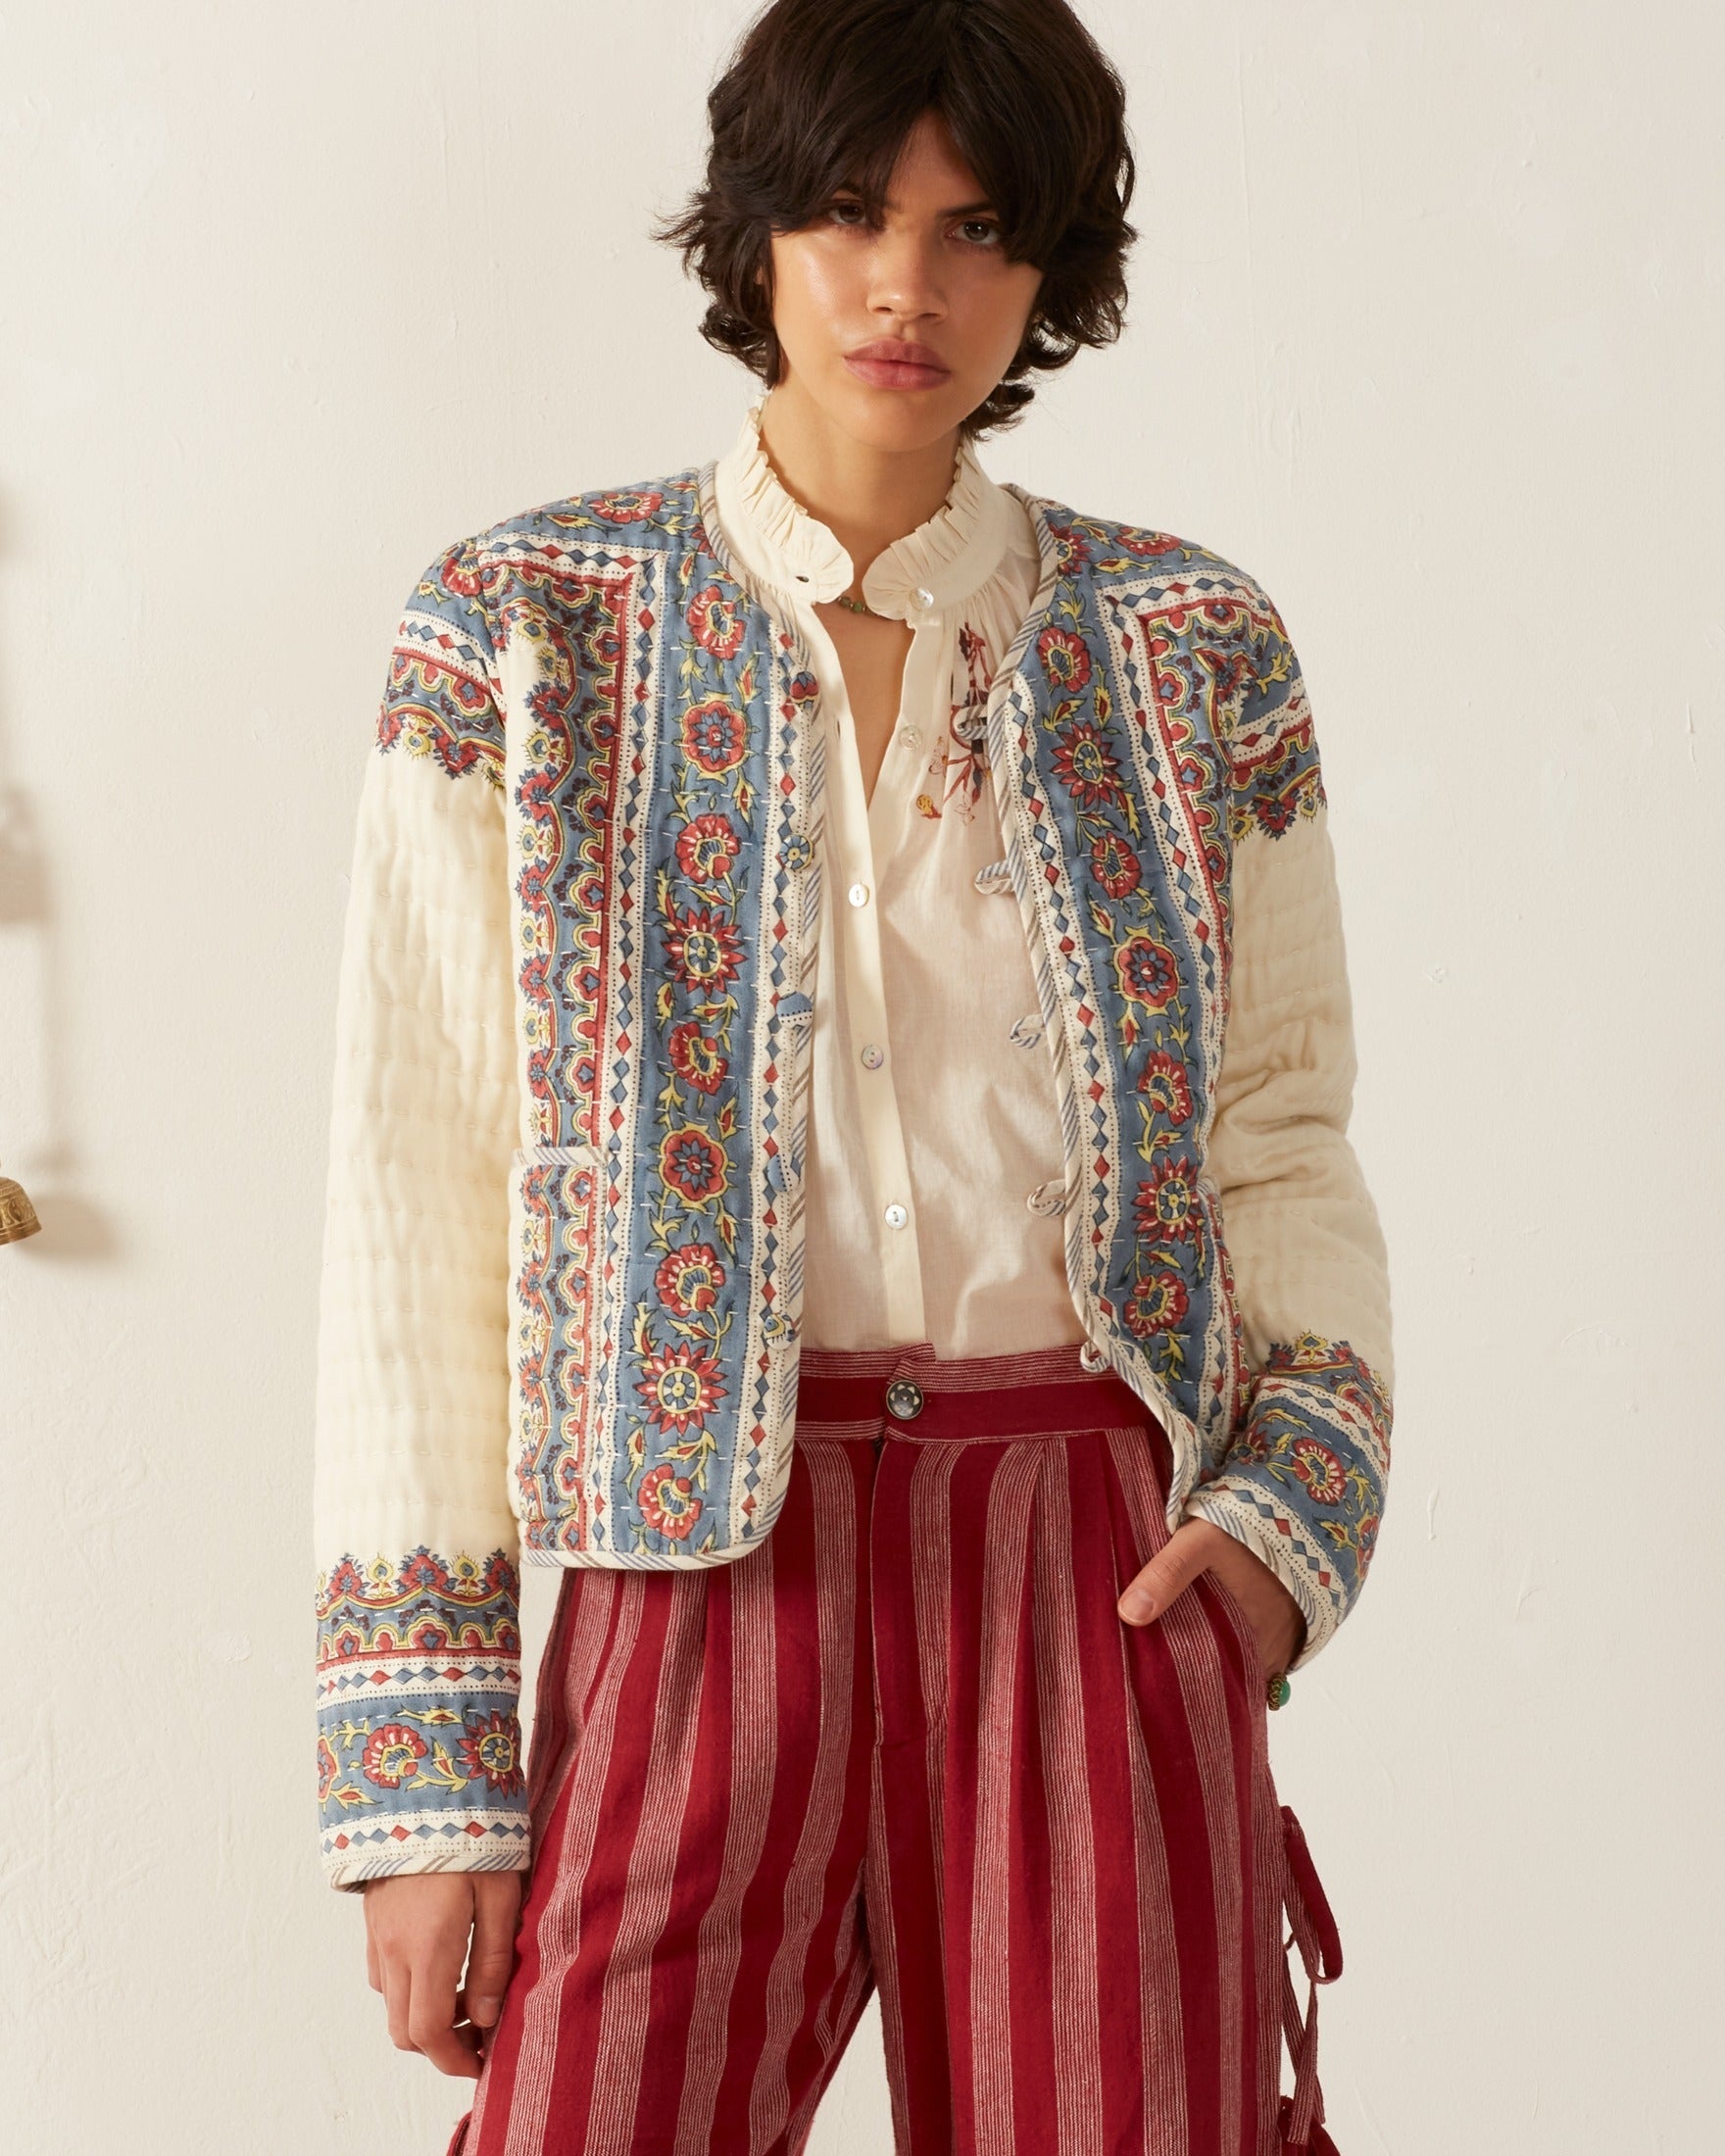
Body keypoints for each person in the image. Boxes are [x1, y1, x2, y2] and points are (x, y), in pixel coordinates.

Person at [312, 3, 1392, 2149]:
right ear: (756, 236)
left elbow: (1281, 1128)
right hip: (699, 1561)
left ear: (1051, 262)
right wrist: (425, 1772)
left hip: (1090, 1558)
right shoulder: (526, 629)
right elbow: (415, 1185)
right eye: (845, 211)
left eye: (978, 225)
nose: (908, 284)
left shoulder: (1192, 651)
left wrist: (1288, 1517)